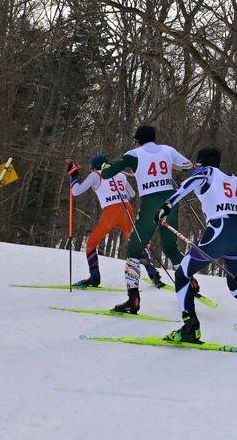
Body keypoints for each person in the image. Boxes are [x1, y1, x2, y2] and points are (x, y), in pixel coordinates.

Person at [157, 147, 237, 347]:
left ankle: (190, 328)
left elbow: (191, 182)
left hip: (219, 231)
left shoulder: (206, 173)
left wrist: (167, 205)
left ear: (201, 163)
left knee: (182, 274)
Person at [98, 125, 192, 313]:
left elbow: (107, 174)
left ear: (138, 141)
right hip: (171, 203)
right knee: (170, 248)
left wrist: (105, 166)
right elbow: (187, 166)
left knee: (134, 250)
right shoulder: (167, 150)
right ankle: (190, 282)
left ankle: (133, 299)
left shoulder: (133, 154)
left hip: (151, 205)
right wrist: (170, 165)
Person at [66, 155, 136, 289]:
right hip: (127, 209)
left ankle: (94, 277)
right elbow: (132, 194)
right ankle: (154, 275)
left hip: (111, 211)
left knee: (91, 244)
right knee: (135, 242)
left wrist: (74, 175)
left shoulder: (95, 175)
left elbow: (75, 191)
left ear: (94, 167)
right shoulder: (120, 174)